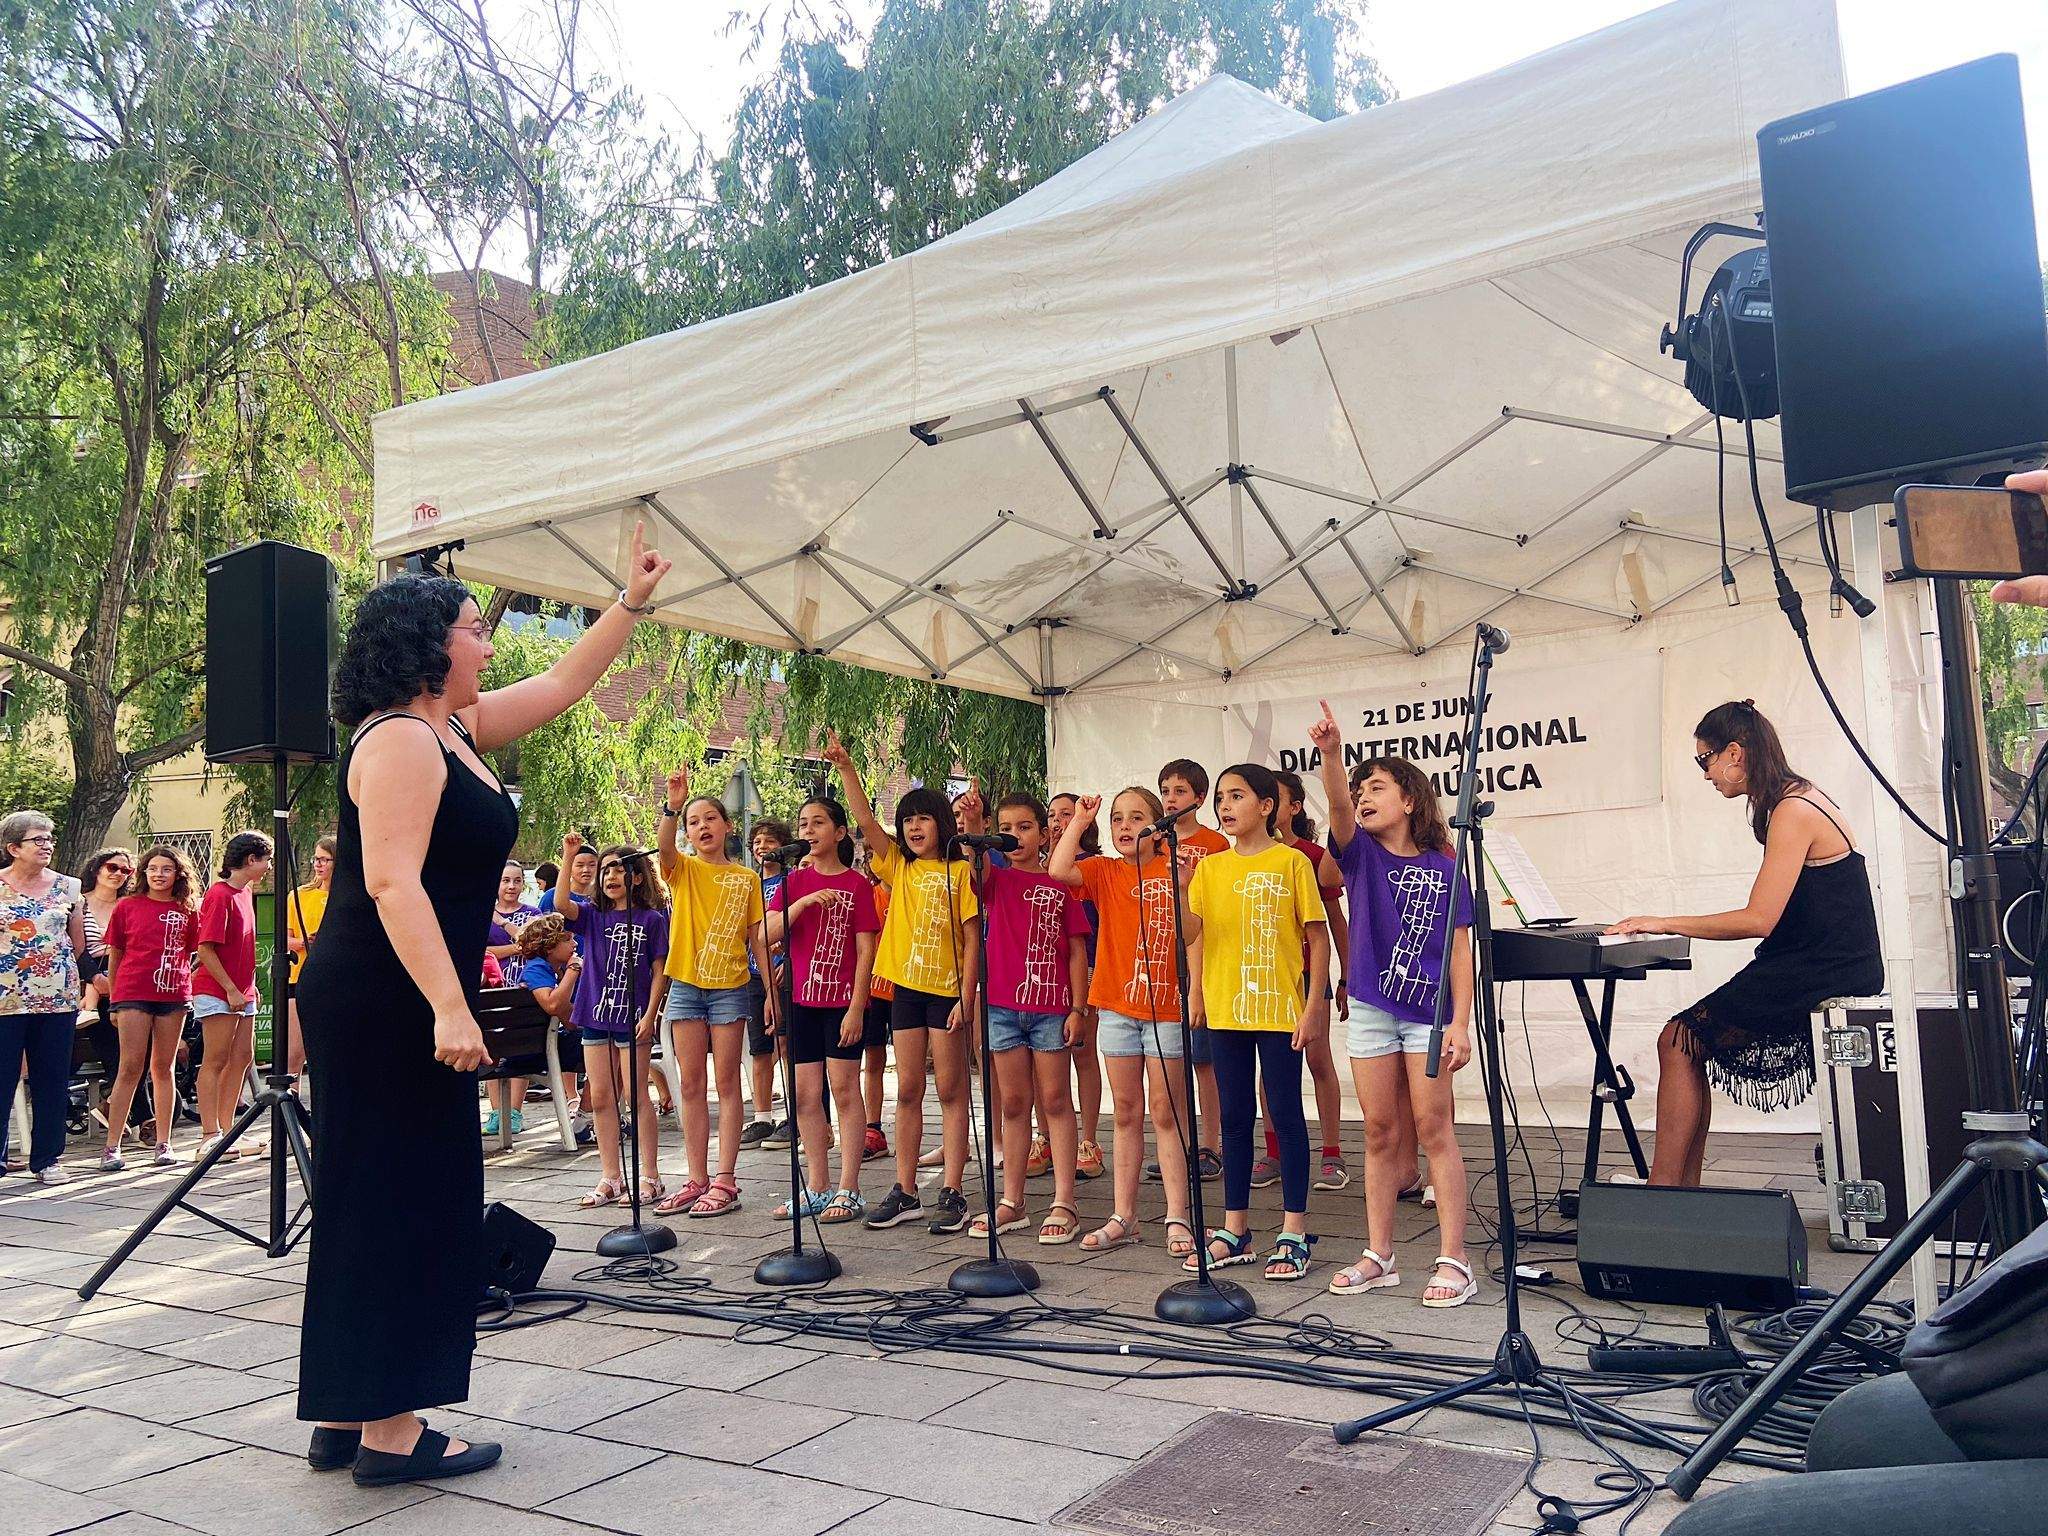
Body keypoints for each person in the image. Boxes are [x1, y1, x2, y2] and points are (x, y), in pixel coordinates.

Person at [295, 521, 672, 1487]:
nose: (489, 643)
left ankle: (348, 1409)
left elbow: (566, 683)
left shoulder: (451, 730)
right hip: (389, 994)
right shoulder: (400, 740)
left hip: (396, 992)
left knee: (374, 1195)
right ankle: (392, 1434)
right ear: (428, 645)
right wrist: (450, 1008)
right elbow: (392, 884)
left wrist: (627, 602)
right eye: (475, 627)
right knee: (407, 1198)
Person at [1610, 699, 1883, 1186]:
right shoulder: (1797, 798)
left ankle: (1665, 1189)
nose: (1705, 774)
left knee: (1678, 1039)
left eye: (1705, 760)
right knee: (1685, 1042)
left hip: (1826, 966)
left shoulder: (1793, 810)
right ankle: (1677, 1190)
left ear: (1734, 753)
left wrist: (1664, 921)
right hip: (1824, 959)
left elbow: (1759, 919)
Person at [1312, 707, 1478, 1306]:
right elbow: (1336, 807)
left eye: (1376, 787)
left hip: (1429, 1013)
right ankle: (1379, 1254)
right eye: (1360, 790)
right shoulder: (1359, 855)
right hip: (1372, 1009)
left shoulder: (1446, 866)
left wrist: (1461, 1021)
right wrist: (1333, 755)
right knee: (1380, 1131)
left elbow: (1460, 948)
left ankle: (1454, 1259)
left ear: (1410, 800)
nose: (1363, 797)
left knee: (1434, 1127)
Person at [1177, 763, 1330, 1283]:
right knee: (1235, 1118)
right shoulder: (1209, 869)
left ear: (1266, 806)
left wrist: (1313, 1006)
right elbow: (1192, 933)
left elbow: (1317, 937)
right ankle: (1234, 1228)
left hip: (1280, 1009)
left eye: (1237, 796)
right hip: (1226, 1009)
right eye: (1221, 797)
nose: (1225, 805)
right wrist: (1182, 886)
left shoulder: (1292, 862)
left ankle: (1294, 1230)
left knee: (1285, 1114)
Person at [825, 731, 980, 1235]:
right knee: (908, 1088)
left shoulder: (961, 872)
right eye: (908, 819)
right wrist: (846, 768)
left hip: (948, 992)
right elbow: (867, 822)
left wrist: (967, 998)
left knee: (952, 1090)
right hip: (907, 991)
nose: (914, 826)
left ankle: (952, 1190)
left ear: (942, 824)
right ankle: (906, 1189)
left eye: (923, 818)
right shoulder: (898, 866)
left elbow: (972, 939)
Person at [1049, 787, 1196, 1258]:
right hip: (1115, 1006)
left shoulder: (1176, 869)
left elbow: (1194, 931)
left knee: (1166, 1111)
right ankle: (1124, 1215)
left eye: (1136, 818)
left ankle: (1178, 1215)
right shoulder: (1105, 871)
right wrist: (1079, 820)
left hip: (1166, 1007)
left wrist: (1185, 888)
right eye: (1117, 819)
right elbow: (1058, 870)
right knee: (1127, 1110)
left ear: (1158, 828)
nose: (1125, 826)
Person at [652, 765, 775, 1218]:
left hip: (730, 987)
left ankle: (725, 1179)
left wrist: (771, 995)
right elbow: (665, 847)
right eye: (693, 821)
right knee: (690, 1083)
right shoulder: (682, 869)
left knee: (727, 1082)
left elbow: (758, 939)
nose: (701, 826)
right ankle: (696, 1178)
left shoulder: (747, 879)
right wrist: (673, 807)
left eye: (710, 818)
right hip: (686, 985)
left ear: (727, 826)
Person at [976, 794, 1090, 1244]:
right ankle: (1013, 1199)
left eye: (1024, 827)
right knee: (1013, 1103)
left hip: (1051, 1006)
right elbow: (977, 872)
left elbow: (1077, 950)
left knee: (1056, 1099)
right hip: (1003, 1006)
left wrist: (1078, 1007)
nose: (1015, 836)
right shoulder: (996, 879)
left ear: (1044, 835)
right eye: (1005, 828)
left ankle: (1065, 1200)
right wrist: (974, 822)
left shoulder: (1061, 883)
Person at [764, 797, 880, 1222]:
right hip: (800, 1000)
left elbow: (866, 950)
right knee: (805, 1094)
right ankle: (817, 1184)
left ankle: (850, 1187)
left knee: (845, 1090)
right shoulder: (792, 882)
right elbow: (766, 933)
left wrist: (857, 1007)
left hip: (842, 1001)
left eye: (818, 823)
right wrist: (805, 903)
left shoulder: (857, 884)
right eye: (803, 824)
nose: (808, 831)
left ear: (839, 832)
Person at [556, 834, 669, 1208]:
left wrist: (651, 1014)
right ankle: (611, 1176)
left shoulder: (652, 919)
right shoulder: (591, 916)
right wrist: (569, 856)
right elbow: (561, 904)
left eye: (618, 869)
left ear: (636, 876)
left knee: (636, 1095)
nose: (610, 876)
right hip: (595, 1015)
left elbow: (659, 970)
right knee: (602, 1096)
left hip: (633, 1019)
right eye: (604, 870)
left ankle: (650, 1176)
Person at [1257, 770, 1352, 1191]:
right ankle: (1273, 1153)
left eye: (1275, 798)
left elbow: (1335, 920)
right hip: (1266, 975)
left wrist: (1347, 975)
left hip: (1310, 973)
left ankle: (1332, 1153)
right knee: (1270, 1066)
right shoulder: (1245, 856)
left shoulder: (1314, 856)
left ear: (1294, 807)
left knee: (1317, 1059)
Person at [99, 845, 200, 1171]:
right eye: (153, 868)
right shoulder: (127, 906)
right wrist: (114, 1002)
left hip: (173, 994)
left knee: (164, 1067)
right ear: (143, 872)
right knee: (130, 1066)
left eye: (166, 869)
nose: (159, 874)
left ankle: (163, 1142)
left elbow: (192, 952)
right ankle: (112, 1145)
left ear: (178, 874)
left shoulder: (187, 909)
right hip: (133, 992)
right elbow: (115, 956)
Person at [0, 810, 85, 1184]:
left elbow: (77, 941)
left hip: (57, 998)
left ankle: (48, 1158)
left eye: (49, 838)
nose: (47, 845)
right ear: (13, 848)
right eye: (37, 839)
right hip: (5, 999)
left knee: (51, 1078)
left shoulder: (69, 887)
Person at [1157, 757, 1224, 1181]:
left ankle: (1210, 1145)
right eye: (1165, 791)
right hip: (1161, 962)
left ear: (1199, 798)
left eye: (1179, 791)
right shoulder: (1154, 842)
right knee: (1173, 1063)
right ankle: (1179, 1145)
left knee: (1204, 1062)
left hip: (1202, 962)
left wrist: (1198, 984)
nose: (1170, 799)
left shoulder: (1215, 844)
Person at [191, 831, 273, 1163]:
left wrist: (249, 988)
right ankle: (209, 1134)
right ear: (251, 859)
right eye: (266, 860)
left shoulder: (245, 892)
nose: (269, 867)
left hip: (243, 989)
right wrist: (230, 989)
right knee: (216, 1058)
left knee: (242, 1056)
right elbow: (205, 949)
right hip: (219, 990)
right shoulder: (220, 894)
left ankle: (228, 1130)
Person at [1047, 793, 1105, 1181]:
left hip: (1087, 967)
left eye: (1065, 815)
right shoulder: (1036, 867)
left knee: (1082, 1053)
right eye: (1051, 815)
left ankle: (1088, 1140)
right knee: (1045, 1058)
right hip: (1045, 973)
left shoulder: (1091, 866)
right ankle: (1046, 1138)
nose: (1057, 821)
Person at [743, 819, 793, 1150]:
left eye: (770, 841)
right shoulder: (749, 884)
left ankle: (793, 1113)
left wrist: (787, 959)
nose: (763, 847)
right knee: (759, 1047)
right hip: (753, 974)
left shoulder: (791, 881)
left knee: (786, 1042)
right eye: (758, 842)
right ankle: (762, 1116)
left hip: (784, 971)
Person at [482, 859, 539, 1136]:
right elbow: (483, 952)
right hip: (493, 989)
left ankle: (514, 1110)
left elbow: (534, 944)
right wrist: (517, 947)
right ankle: (497, 1112)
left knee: (520, 1046)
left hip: (524, 990)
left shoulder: (533, 913)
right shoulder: (483, 912)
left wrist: (505, 927)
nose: (511, 886)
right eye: (505, 880)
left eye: (517, 881)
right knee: (491, 1048)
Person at [282, 835, 337, 1081]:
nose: (318, 864)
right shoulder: (298, 895)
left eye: (325, 859)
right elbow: (284, 939)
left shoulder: (346, 896)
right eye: (316, 858)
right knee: (294, 1051)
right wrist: (304, 942)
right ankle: (290, 1098)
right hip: (300, 976)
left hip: (336, 978)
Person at [515, 912, 582, 1022]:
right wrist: (573, 968)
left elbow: (570, 1023)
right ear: (549, 946)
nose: (575, 944)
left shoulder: (557, 969)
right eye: (567, 939)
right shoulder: (535, 969)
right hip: (530, 1031)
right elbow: (553, 1006)